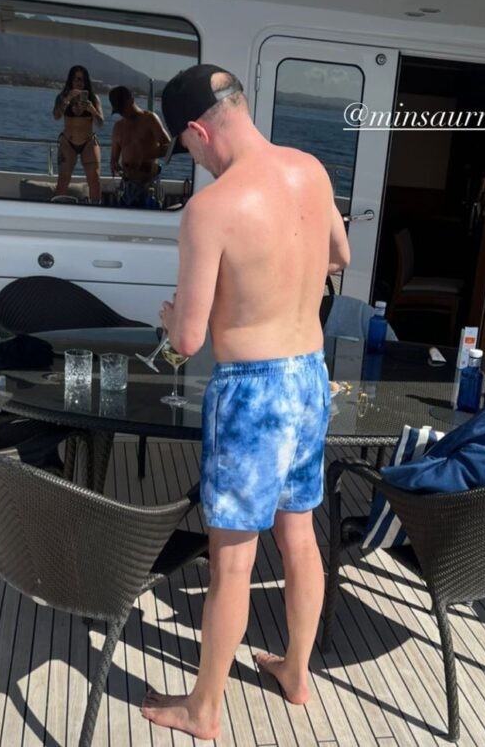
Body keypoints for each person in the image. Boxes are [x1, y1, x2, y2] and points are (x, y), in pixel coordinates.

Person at [141, 64, 350, 740]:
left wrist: (173, 317)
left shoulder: (211, 209)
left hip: (253, 394)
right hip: (309, 377)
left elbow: (189, 340)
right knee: (299, 537)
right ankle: (296, 671)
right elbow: (340, 254)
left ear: (199, 130)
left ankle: (204, 708)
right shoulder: (312, 171)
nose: (194, 159)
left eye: (187, 147)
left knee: (233, 560)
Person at [108, 86, 169, 207]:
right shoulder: (118, 127)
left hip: (149, 185)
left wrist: (145, 155)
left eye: (123, 108)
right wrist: (114, 164)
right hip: (127, 186)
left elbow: (168, 147)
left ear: (131, 100)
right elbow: (114, 157)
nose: (122, 113)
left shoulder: (150, 119)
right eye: (119, 110)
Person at [52, 65, 104, 203]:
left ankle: (96, 210)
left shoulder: (93, 98)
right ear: (71, 80)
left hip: (88, 142)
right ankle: (57, 209)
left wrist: (92, 110)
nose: (79, 82)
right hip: (68, 143)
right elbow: (56, 116)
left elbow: (100, 123)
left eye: (82, 79)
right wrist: (68, 99)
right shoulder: (62, 97)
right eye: (76, 79)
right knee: (63, 179)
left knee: (95, 180)